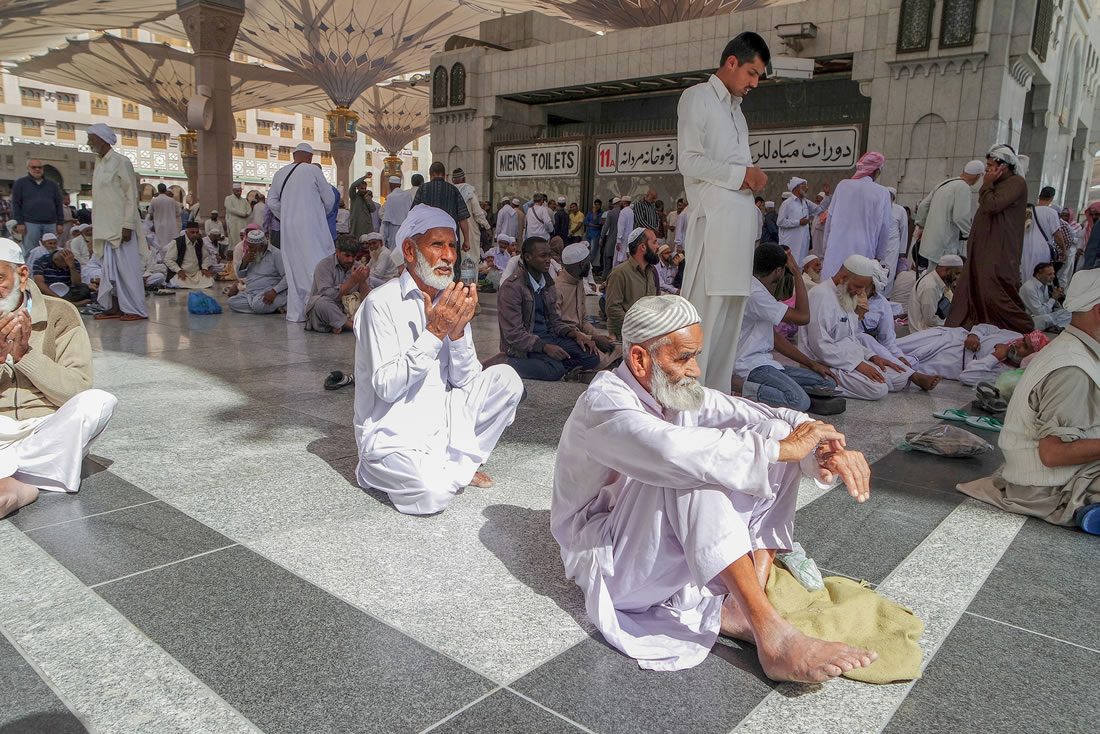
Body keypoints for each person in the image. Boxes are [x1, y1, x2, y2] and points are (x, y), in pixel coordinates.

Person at [551, 293, 877, 677]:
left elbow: (766, 414)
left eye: (696, 356)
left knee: (773, 432)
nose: (695, 370)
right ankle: (772, 635)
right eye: (684, 357)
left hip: (650, 549)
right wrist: (782, 449)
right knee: (698, 468)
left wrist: (821, 443)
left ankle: (744, 604)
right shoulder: (604, 402)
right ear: (639, 359)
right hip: (610, 563)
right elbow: (668, 451)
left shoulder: (670, 389)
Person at [353, 204, 522, 515]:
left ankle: (457, 462)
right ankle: (440, 468)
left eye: (453, 246)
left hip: (441, 424)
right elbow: (387, 388)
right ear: (409, 249)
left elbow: (466, 382)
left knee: (507, 380)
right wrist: (434, 332)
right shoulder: (381, 304)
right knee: (432, 495)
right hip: (394, 435)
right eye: (437, 245)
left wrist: (456, 334)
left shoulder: (450, 299)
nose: (449, 256)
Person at [957, 270, 1100, 534]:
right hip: (1048, 488)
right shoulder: (1074, 369)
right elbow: (1052, 453)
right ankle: (1087, 507)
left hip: (1042, 477)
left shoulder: (1073, 349)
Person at [677, 33, 771, 391]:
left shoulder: (737, 113)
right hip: (714, 228)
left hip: (737, 233)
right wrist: (743, 175)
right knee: (705, 318)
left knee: (730, 323)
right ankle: (685, 399)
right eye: (751, 72)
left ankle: (713, 402)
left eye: (758, 76)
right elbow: (689, 161)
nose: (753, 83)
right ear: (731, 62)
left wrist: (745, 179)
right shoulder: (698, 97)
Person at [0, 238, 117, 519]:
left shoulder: (60, 313)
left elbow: (75, 390)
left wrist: (25, 356)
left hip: (45, 429)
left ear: (22, 275)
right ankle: (25, 480)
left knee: (98, 402)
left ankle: (12, 475)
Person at [803, 255, 939, 399]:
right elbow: (819, 345)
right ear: (842, 278)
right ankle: (819, 383)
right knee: (878, 389)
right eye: (858, 286)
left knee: (900, 378)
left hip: (849, 359)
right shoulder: (821, 295)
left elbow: (850, 338)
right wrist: (858, 365)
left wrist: (872, 357)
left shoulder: (845, 294)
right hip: (825, 363)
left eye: (864, 288)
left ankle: (857, 377)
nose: (861, 292)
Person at [736, 244, 838, 411]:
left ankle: (774, 393)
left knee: (827, 382)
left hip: (767, 364)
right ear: (778, 271)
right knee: (799, 402)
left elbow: (775, 339)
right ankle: (740, 386)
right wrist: (797, 272)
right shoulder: (755, 294)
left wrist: (811, 364)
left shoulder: (757, 287)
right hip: (749, 366)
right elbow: (803, 317)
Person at [946, 144, 1033, 332]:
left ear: (1004, 166)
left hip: (999, 252)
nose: (987, 170)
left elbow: (992, 205)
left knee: (995, 290)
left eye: (991, 166)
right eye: (987, 166)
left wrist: (987, 183)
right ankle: (974, 326)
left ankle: (1021, 328)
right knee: (975, 287)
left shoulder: (1016, 183)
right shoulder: (997, 184)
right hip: (985, 249)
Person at [497, 235, 600, 381]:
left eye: (549, 255)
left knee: (591, 356)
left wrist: (576, 335)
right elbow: (513, 334)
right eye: (543, 256)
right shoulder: (512, 287)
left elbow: (555, 322)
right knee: (554, 370)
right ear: (527, 257)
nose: (548, 260)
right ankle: (507, 364)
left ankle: (550, 364)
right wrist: (545, 347)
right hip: (524, 346)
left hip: (549, 338)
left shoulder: (547, 283)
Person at [85, 124, 148, 322]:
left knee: (127, 270)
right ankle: (114, 306)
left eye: (91, 139)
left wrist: (127, 224)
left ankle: (135, 309)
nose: (88, 143)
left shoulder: (121, 162)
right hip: (105, 227)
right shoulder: (99, 163)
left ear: (102, 140)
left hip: (121, 227)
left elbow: (131, 195)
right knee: (109, 271)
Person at [267, 142, 336, 323]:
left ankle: (296, 313)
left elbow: (272, 201)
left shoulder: (280, 173)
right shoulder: (313, 170)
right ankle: (315, 310)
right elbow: (329, 199)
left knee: (293, 267)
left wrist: (287, 214)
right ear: (310, 158)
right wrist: (318, 212)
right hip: (313, 226)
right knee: (316, 263)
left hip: (289, 228)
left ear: (294, 155)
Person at [821, 153, 892, 279]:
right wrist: (879, 258)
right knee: (855, 292)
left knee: (830, 290)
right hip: (864, 252)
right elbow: (885, 228)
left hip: (835, 251)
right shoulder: (882, 193)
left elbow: (829, 218)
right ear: (876, 171)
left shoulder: (842, 185)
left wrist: (826, 247)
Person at [895, 325, 1040, 385]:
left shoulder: (1009, 376)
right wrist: (974, 335)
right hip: (953, 338)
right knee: (894, 347)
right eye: (1022, 340)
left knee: (901, 364)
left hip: (949, 364)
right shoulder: (1013, 336)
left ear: (1028, 358)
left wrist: (996, 356)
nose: (1018, 343)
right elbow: (986, 328)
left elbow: (967, 377)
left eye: (1024, 346)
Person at [555, 241, 617, 365]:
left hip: (581, 335)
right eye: (588, 262)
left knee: (618, 350)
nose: (590, 265)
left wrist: (598, 336)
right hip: (565, 337)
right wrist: (591, 338)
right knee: (598, 359)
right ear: (581, 264)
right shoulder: (557, 288)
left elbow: (583, 321)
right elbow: (557, 326)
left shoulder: (578, 282)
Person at [914, 160, 984, 268]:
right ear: (978, 176)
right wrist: (969, 234)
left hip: (929, 243)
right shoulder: (963, 187)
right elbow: (960, 217)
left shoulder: (944, 184)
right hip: (944, 245)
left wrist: (922, 226)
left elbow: (923, 206)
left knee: (930, 277)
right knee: (941, 280)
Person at [305, 234, 370, 334]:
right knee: (320, 303)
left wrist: (362, 282)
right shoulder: (324, 265)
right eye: (347, 255)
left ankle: (338, 324)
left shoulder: (358, 267)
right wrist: (353, 281)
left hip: (349, 310)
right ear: (337, 252)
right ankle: (352, 326)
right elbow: (328, 295)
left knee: (370, 304)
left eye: (354, 256)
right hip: (328, 309)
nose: (350, 260)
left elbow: (368, 298)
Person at [605, 228, 660, 340]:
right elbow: (613, 309)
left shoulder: (651, 272)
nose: (658, 246)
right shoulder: (620, 273)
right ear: (643, 247)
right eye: (654, 242)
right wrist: (636, 329)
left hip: (648, 336)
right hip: (626, 338)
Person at [10, 159, 64, 260]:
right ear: (28, 169)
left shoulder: (52, 184)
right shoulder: (20, 183)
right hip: (30, 223)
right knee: (31, 251)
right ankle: (30, 273)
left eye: (40, 167)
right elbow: (16, 204)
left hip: (50, 223)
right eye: (34, 167)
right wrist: (20, 222)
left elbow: (58, 204)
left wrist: (60, 223)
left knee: (52, 250)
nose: (37, 169)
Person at [414, 163, 471, 254]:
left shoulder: (423, 189)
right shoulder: (453, 190)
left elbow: (414, 216)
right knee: (449, 265)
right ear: (444, 175)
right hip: (450, 239)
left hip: (428, 239)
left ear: (431, 174)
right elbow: (463, 218)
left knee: (429, 266)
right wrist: (467, 240)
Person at [228, 229, 288, 315]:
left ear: (261, 246)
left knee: (258, 305)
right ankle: (274, 308)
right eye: (248, 246)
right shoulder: (250, 253)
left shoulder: (276, 254)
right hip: (251, 294)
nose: (248, 249)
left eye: (251, 247)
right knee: (232, 302)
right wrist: (244, 262)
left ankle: (272, 305)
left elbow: (287, 277)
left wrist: (274, 291)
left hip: (269, 293)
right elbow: (241, 275)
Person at [777, 177, 827, 265]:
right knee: (790, 265)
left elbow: (820, 209)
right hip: (791, 241)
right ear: (796, 188)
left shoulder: (806, 202)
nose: (807, 188)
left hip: (803, 241)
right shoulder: (787, 203)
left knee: (801, 265)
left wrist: (826, 196)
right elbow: (780, 222)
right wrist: (798, 222)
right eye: (804, 186)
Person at [908, 254, 963, 331]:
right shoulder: (930, 286)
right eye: (956, 273)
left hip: (930, 329)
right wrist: (952, 323)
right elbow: (931, 321)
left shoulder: (936, 281)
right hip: (923, 332)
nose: (958, 277)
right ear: (946, 270)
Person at [1021, 187, 1062, 285]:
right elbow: (1057, 235)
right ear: (1051, 198)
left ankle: (1024, 297)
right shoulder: (1052, 213)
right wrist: (1063, 251)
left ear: (1039, 196)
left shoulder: (1028, 210)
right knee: (1040, 277)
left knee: (1025, 276)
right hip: (1042, 250)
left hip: (1025, 249)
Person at [1020, 262, 1071, 332]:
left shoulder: (1045, 285)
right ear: (1038, 275)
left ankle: (1054, 326)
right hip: (1031, 320)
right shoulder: (1029, 288)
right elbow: (1040, 312)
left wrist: (1057, 297)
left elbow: (1047, 306)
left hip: (1043, 315)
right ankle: (1055, 326)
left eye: (1053, 273)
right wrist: (1053, 298)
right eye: (1049, 274)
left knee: (1068, 312)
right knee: (1046, 318)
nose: (1053, 276)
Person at [166, 221, 217, 289]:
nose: (195, 235)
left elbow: (205, 257)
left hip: (196, 274)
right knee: (178, 283)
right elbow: (168, 259)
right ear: (186, 232)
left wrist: (204, 268)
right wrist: (178, 270)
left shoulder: (200, 242)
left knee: (209, 281)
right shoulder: (177, 242)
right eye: (192, 232)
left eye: (197, 232)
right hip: (183, 273)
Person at [451, 168, 489, 261]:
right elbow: (478, 213)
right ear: (464, 179)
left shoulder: (450, 191)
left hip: (453, 232)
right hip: (470, 232)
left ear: (453, 180)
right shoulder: (469, 191)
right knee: (471, 260)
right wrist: (487, 226)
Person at [882, 186, 908, 295]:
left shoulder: (900, 210)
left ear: (893, 197)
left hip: (893, 245)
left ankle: (886, 295)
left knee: (890, 271)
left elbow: (904, 230)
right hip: (880, 244)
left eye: (890, 196)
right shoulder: (878, 208)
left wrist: (902, 251)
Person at [146, 183, 182, 255]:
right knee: (171, 243)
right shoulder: (172, 200)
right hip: (171, 225)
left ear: (158, 190)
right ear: (165, 189)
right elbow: (178, 212)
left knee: (161, 243)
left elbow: (150, 212)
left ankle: (163, 259)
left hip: (159, 225)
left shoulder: (154, 200)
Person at [380, 175, 412, 249]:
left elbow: (386, 219)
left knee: (393, 251)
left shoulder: (390, 197)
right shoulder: (407, 196)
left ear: (390, 185)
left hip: (393, 230)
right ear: (400, 185)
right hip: (405, 228)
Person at [349, 175, 377, 240]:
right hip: (356, 226)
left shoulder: (367, 196)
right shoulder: (354, 196)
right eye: (361, 188)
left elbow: (373, 209)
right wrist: (365, 177)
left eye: (365, 188)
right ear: (358, 188)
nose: (363, 190)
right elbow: (353, 186)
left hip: (367, 227)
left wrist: (367, 199)